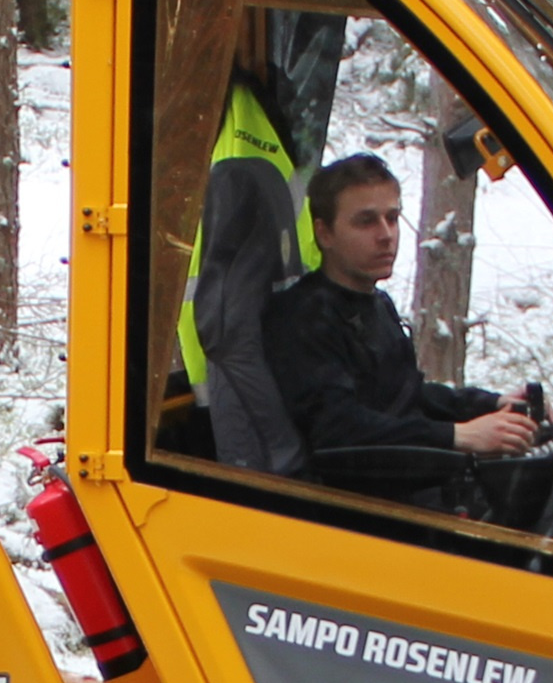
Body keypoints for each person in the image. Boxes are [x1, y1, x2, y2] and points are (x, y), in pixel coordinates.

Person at [265, 151, 535, 509]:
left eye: (392, 218)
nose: (386, 235)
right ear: (324, 233)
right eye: (366, 222)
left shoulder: (375, 303)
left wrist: (491, 404)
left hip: (412, 481)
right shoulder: (302, 317)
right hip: (364, 506)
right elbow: (338, 430)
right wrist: (458, 435)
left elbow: (407, 394)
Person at [176, 67, 317, 472]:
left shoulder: (232, 158)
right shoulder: (251, 143)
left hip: (234, 379)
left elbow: (225, 319)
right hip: (249, 378)